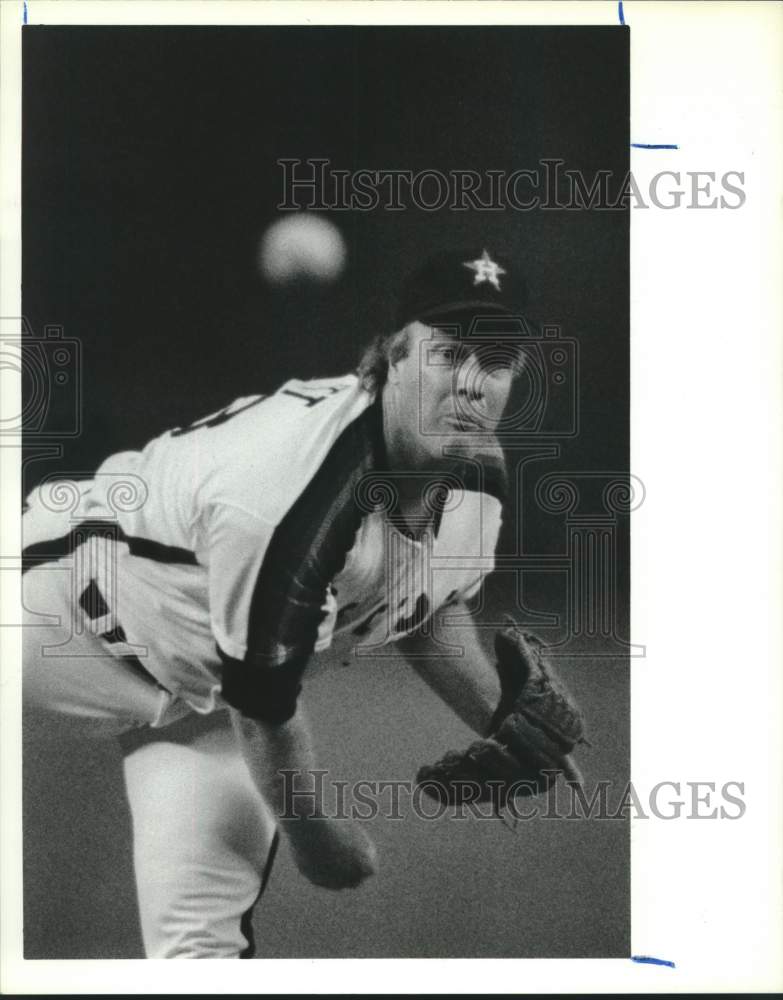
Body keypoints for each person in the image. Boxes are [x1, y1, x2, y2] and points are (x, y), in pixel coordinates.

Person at [22, 248, 529, 959]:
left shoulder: (475, 471)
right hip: (52, 620)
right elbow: (264, 709)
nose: (473, 385)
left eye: (497, 363)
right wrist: (316, 836)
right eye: (449, 354)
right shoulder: (288, 492)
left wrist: (508, 720)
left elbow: (426, 603)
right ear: (392, 360)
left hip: (199, 703)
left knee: (201, 957)